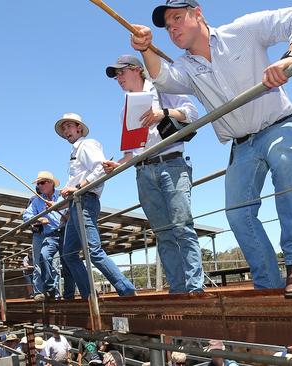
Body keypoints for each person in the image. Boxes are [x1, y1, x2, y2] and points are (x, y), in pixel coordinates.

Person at [129, 1, 292, 297]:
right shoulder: (186, 67)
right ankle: (267, 284)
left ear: (198, 13)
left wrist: (290, 57)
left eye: (178, 18)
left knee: (285, 162)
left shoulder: (243, 30)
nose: (173, 29)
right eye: (168, 27)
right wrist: (146, 49)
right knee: (237, 213)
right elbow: (164, 79)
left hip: (280, 124)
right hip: (241, 144)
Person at [102, 54, 203, 293]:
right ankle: (178, 289)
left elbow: (192, 112)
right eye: (116, 75)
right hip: (144, 171)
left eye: (121, 72)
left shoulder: (163, 89)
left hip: (172, 164)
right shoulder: (124, 111)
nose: (119, 78)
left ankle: (195, 286)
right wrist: (117, 165)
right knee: (163, 232)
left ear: (137, 69)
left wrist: (163, 113)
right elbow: (131, 153)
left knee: (182, 226)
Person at [56, 112, 136, 298]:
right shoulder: (76, 150)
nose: (66, 130)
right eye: (64, 128)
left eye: (69, 126)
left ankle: (126, 290)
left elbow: (101, 168)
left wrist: (76, 187)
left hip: (84, 201)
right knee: (68, 254)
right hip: (77, 203)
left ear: (79, 128)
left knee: (93, 250)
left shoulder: (87, 145)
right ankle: (89, 294)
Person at [23, 171, 75, 302]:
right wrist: (39, 219)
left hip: (65, 231)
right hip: (48, 234)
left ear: (51, 183)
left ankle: (68, 295)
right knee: (42, 258)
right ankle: (48, 290)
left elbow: (73, 208)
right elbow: (26, 216)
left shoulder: (62, 195)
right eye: (38, 184)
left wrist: (65, 214)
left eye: (42, 182)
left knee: (66, 262)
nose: (39, 186)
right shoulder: (35, 200)